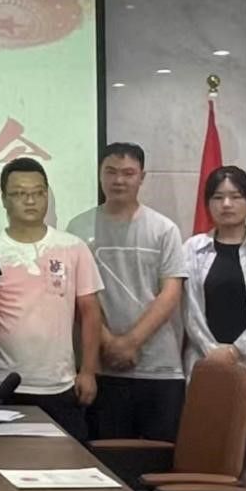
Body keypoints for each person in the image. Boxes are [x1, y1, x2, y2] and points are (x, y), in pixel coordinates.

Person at [67, 143, 189, 440]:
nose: (118, 180)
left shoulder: (164, 229)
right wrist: (109, 343)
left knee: (159, 458)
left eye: (128, 173)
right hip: (100, 368)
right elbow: (78, 297)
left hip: (159, 368)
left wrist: (130, 342)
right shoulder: (78, 227)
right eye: (110, 172)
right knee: (104, 457)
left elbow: (171, 294)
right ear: (99, 174)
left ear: (142, 177)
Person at [0, 159, 101, 440]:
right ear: (4, 199)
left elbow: (90, 312)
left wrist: (88, 372)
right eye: (20, 193)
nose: (30, 200)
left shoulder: (72, 247)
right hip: (1, 386)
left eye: (38, 192)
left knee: (66, 463)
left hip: (60, 387)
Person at [183, 165, 246, 479]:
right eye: (218, 197)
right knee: (212, 459)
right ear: (208, 204)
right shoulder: (192, 249)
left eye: (236, 196)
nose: (226, 204)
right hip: (206, 365)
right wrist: (213, 352)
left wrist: (235, 351)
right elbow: (189, 308)